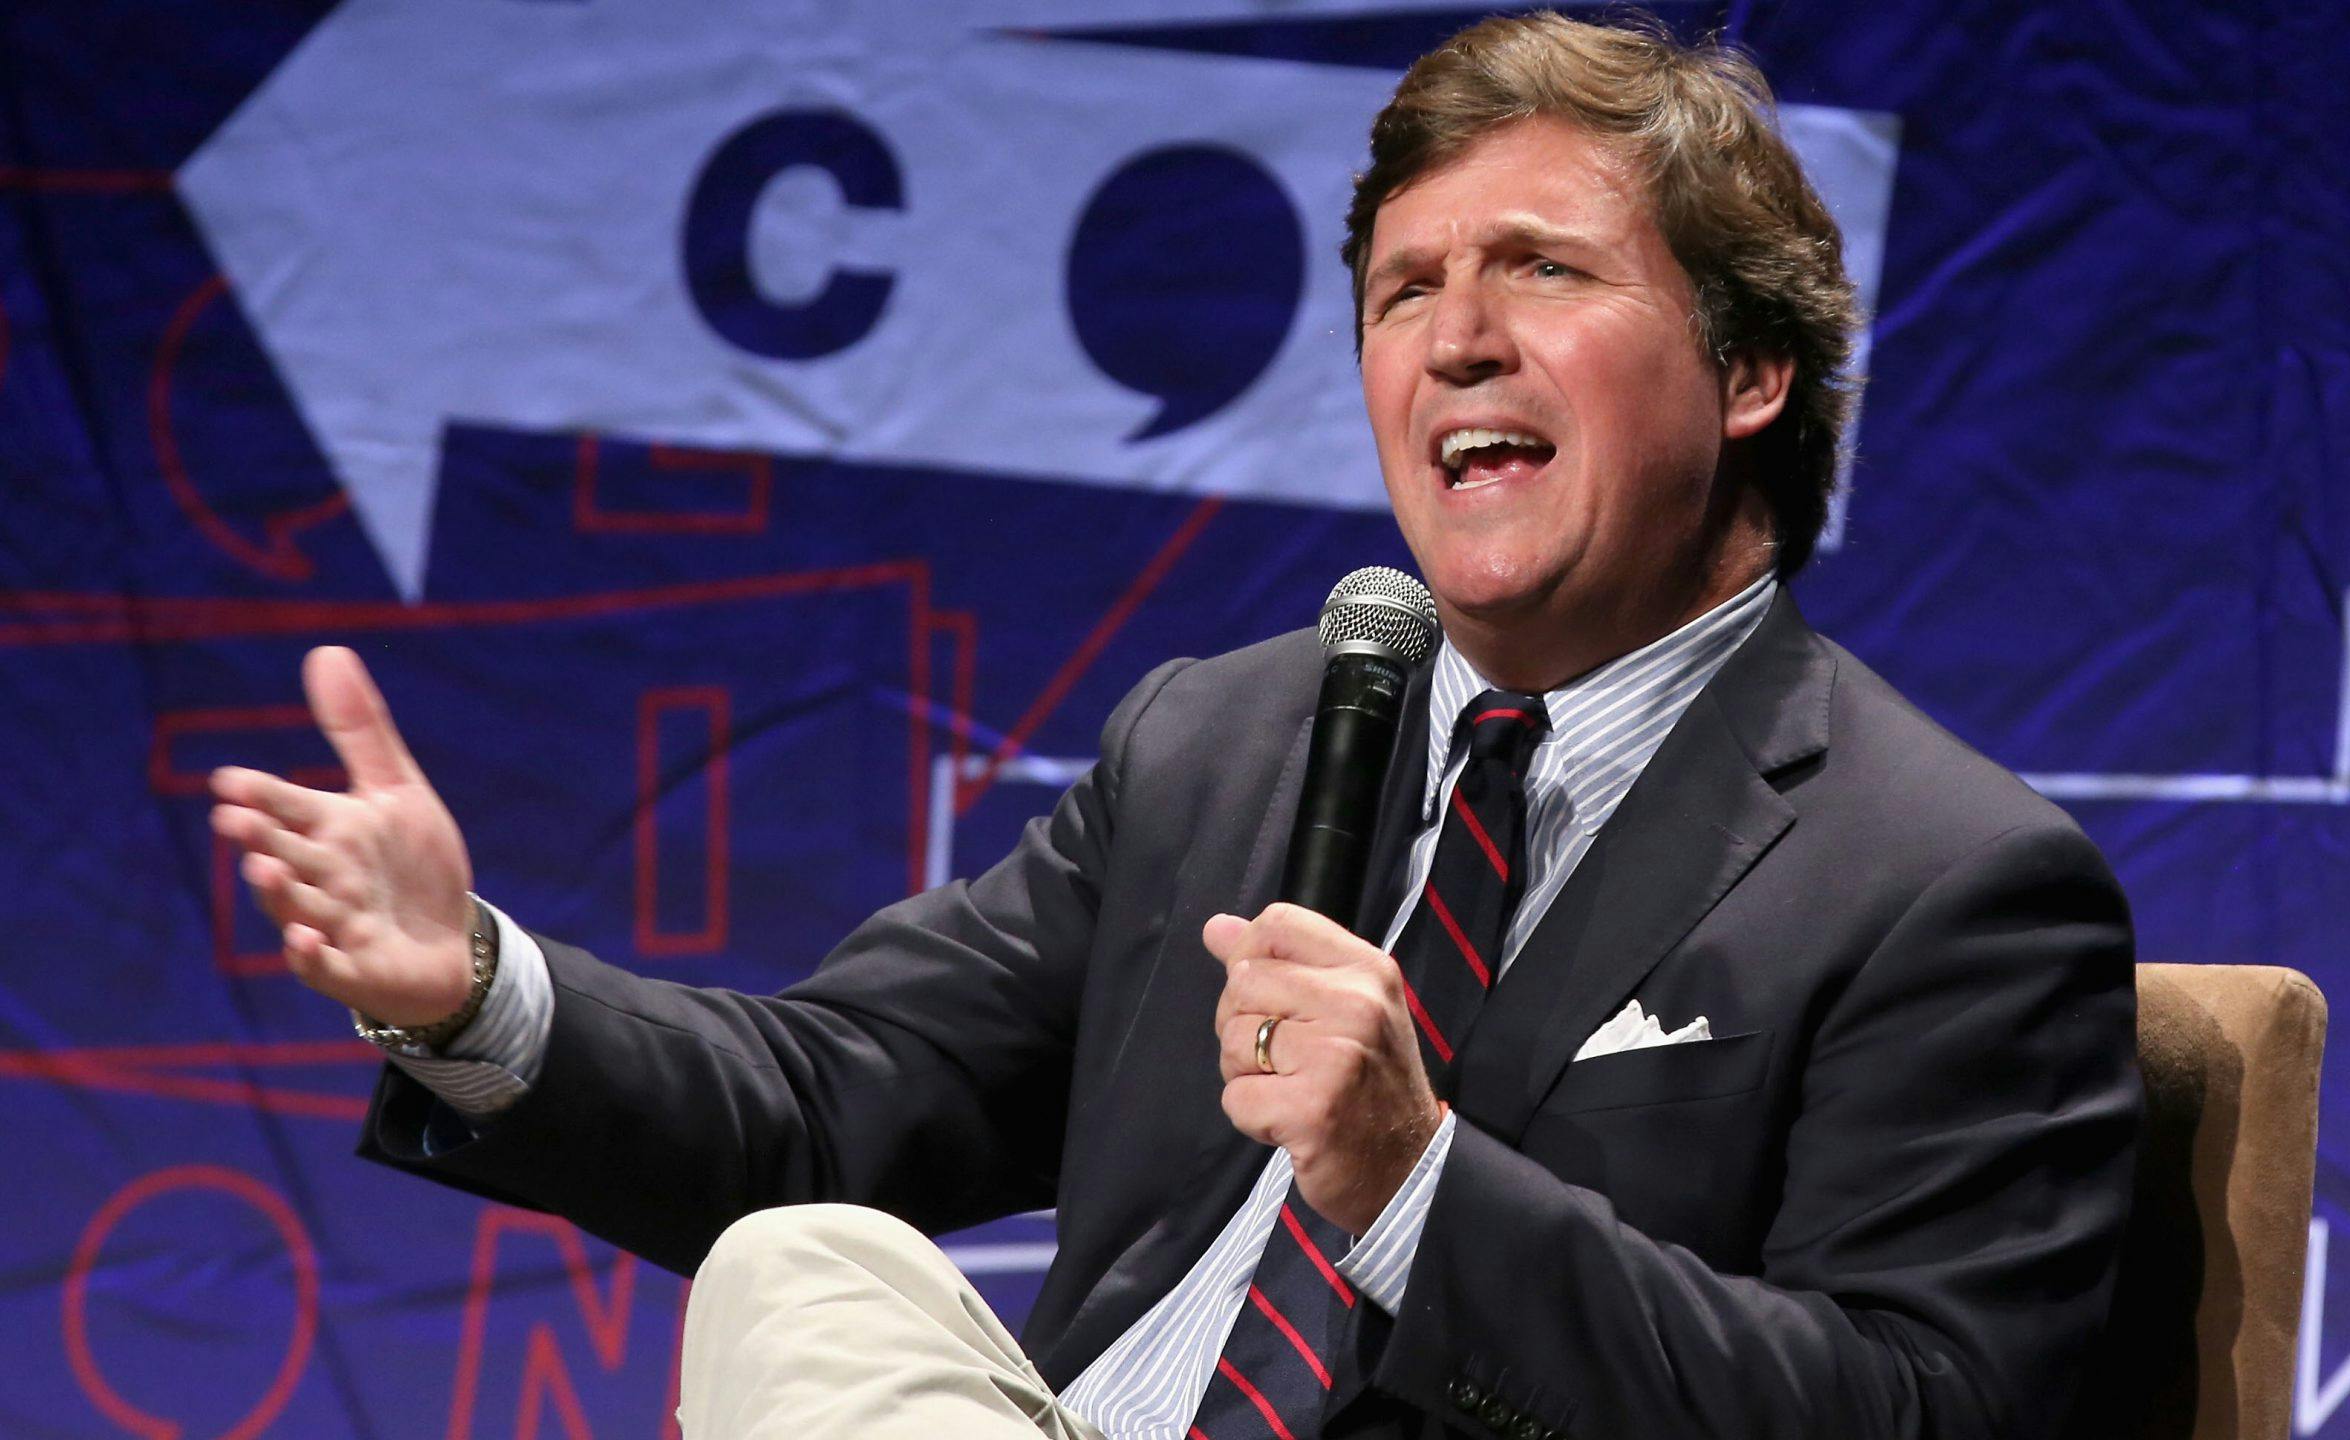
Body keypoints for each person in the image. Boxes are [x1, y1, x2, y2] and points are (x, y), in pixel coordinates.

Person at [209, 13, 2140, 1439]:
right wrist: (476, 992)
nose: (1456, 338)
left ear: (1753, 370)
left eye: (1542, 270)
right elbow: (834, 1104)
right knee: (807, 1264)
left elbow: (1918, 1411)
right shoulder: (1224, 745)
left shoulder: (1941, 881)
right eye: (1404, 290)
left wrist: (1416, 1187)